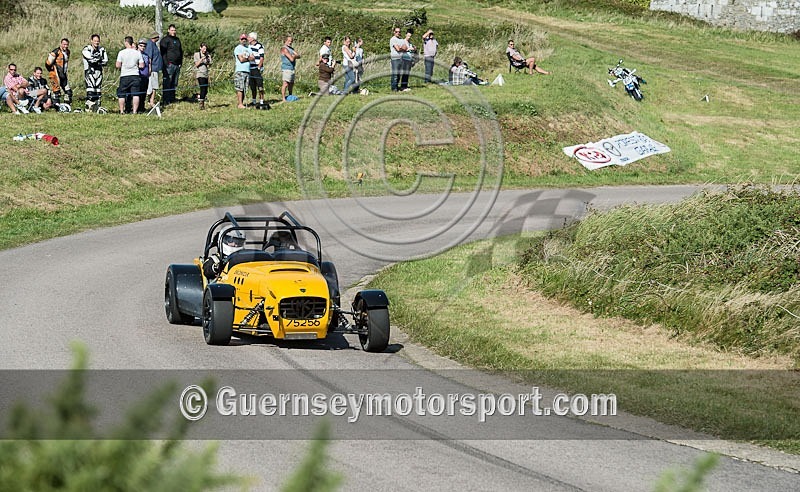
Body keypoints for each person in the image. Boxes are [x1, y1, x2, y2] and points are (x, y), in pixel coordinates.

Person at [115, 36, 144, 114]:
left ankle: (121, 111)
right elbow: (142, 65)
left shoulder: (121, 52)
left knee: (122, 94)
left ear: (126, 42)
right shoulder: (137, 52)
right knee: (135, 94)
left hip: (124, 75)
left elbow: (117, 65)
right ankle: (134, 111)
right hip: (135, 75)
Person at [82, 34, 108, 111]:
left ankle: (97, 109)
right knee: (90, 91)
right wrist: (99, 60)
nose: (96, 42)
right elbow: (90, 59)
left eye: (98, 41)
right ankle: (89, 109)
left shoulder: (102, 49)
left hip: (99, 72)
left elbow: (105, 61)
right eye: (95, 41)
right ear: (91, 41)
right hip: (90, 72)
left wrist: (97, 61)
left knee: (98, 91)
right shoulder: (87, 49)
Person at [160, 24, 183, 105]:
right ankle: (166, 100)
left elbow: (181, 51)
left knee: (174, 82)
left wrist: (180, 63)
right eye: (172, 30)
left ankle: (172, 98)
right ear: (168, 30)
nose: (173, 32)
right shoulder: (165, 40)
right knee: (167, 82)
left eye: (174, 30)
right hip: (169, 65)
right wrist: (167, 64)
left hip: (177, 65)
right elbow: (163, 53)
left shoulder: (177, 40)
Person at [46, 38, 71, 105]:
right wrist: (52, 71)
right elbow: (47, 63)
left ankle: (67, 106)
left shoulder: (68, 52)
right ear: (61, 44)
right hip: (55, 74)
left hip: (63, 74)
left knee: (68, 92)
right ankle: (56, 107)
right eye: (64, 44)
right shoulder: (55, 52)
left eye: (67, 44)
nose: (65, 46)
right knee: (56, 92)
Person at [144, 32, 163, 108]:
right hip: (153, 69)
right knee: (153, 86)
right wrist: (149, 68)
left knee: (154, 85)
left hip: (156, 68)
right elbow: (149, 57)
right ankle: (151, 101)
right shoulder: (150, 45)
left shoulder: (154, 45)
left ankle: (151, 100)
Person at [234, 33, 252, 109]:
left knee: (245, 88)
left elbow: (253, 58)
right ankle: (240, 104)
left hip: (247, 71)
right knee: (240, 87)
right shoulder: (238, 48)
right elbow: (241, 59)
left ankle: (242, 103)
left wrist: (246, 58)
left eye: (245, 39)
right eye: (242, 39)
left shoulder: (249, 48)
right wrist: (247, 58)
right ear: (240, 40)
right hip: (240, 70)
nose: (244, 40)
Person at [247, 32, 265, 107]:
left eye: (249, 37)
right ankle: (254, 101)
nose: (248, 38)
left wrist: (259, 67)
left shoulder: (259, 46)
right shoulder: (248, 46)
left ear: (253, 38)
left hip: (256, 68)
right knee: (252, 85)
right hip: (250, 68)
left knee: (260, 85)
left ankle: (261, 101)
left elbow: (261, 58)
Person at [280, 35, 300, 102]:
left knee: (291, 83)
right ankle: (283, 98)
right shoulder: (284, 49)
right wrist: (294, 56)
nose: (290, 42)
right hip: (286, 68)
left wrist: (294, 56)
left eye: (291, 41)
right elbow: (291, 59)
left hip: (292, 68)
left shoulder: (291, 49)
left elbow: (299, 55)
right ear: (285, 41)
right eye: (288, 41)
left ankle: (290, 96)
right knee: (285, 83)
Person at [193, 42, 212, 110]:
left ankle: (199, 97)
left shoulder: (208, 55)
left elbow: (210, 63)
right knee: (202, 88)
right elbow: (196, 64)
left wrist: (207, 60)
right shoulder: (197, 54)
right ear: (200, 48)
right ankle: (201, 103)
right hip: (200, 73)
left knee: (205, 90)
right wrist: (201, 60)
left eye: (205, 49)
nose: (204, 50)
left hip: (206, 74)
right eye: (203, 48)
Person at [136, 38, 151, 113]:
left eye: (144, 46)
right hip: (138, 76)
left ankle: (142, 107)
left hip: (145, 76)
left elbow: (149, 63)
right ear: (138, 46)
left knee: (143, 92)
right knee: (138, 93)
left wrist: (149, 72)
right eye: (141, 45)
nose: (142, 47)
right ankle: (137, 107)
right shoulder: (135, 54)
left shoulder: (146, 55)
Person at [389, 27, 406, 92]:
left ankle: (397, 86)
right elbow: (398, 49)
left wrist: (401, 48)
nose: (398, 33)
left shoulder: (401, 39)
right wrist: (402, 48)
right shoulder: (393, 39)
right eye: (396, 32)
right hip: (395, 58)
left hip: (401, 58)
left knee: (399, 74)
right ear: (394, 32)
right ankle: (394, 88)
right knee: (395, 74)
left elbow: (405, 47)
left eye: (399, 32)